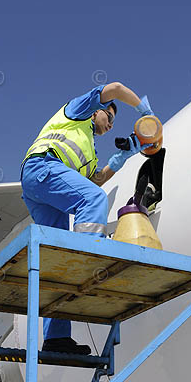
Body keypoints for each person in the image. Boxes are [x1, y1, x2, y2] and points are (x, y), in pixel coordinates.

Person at [20, 82, 154, 354]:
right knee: (94, 199)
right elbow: (115, 88)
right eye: (110, 117)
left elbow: (98, 178)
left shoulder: (90, 152)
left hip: (43, 188)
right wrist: (143, 110)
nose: (111, 125)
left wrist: (124, 155)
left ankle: (56, 339)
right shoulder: (77, 112)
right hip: (43, 167)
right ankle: (87, 261)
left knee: (58, 257)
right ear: (97, 111)